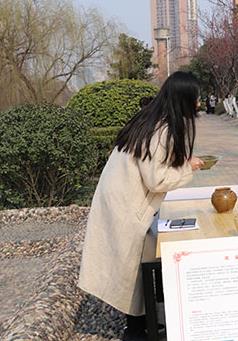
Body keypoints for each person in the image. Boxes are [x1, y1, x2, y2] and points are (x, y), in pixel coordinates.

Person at [78, 71, 205, 341]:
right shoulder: (163, 129)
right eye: (195, 97)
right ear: (184, 98)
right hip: (126, 205)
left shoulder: (152, 119)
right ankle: (137, 332)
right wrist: (188, 166)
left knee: (136, 265)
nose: (199, 103)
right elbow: (156, 179)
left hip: (118, 199)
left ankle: (144, 324)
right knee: (134, 266)